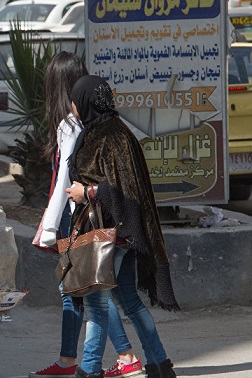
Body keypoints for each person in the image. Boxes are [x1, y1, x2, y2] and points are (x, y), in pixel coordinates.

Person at [31, 52, 142, 378]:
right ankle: (69, 361)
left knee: (87, 290)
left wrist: (49, 226)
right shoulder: (94, 120)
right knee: (83, 291)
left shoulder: (68, 124)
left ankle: (124, 356)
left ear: (56, 86)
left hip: (75, 215)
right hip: (96, 214)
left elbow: (63, 181)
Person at [65, 75, 179, 378]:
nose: (73, 106)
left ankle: (89, 370)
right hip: (120, 232)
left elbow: (120, 189)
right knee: (128, 300)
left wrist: (86, 193)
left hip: (111, 233)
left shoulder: (108, 135)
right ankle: (160, 364)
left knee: (96, 303)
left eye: (76, 101)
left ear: (87, 102)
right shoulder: (109, 130)